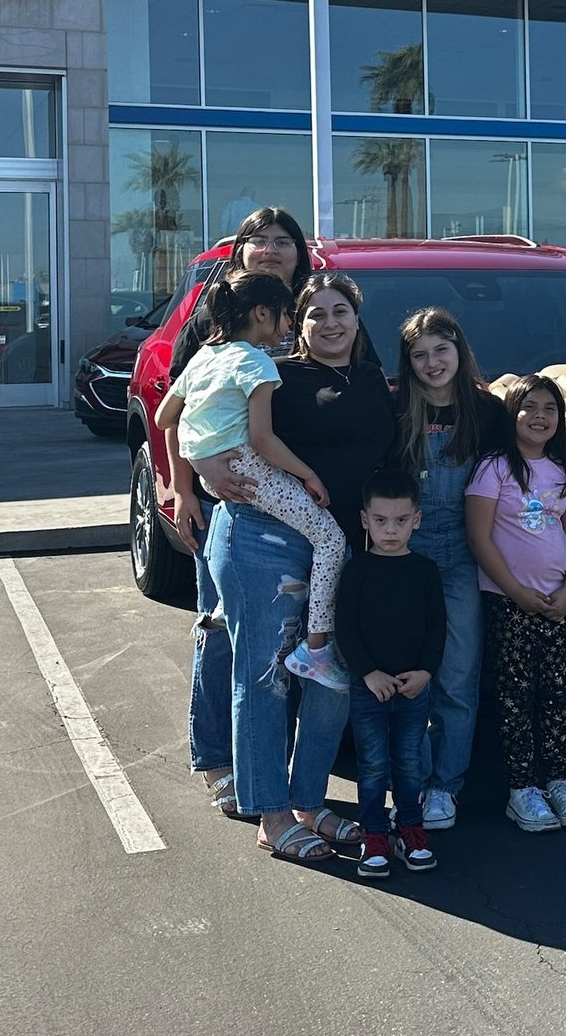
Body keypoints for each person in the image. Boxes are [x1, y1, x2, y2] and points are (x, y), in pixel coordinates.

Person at [199, 272, 397, 860]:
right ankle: (271, 812)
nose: (330, 323)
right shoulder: (268, 373)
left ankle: (310, 801)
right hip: (266, 538)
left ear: (358, 319)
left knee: (333, 676)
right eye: (316, 314)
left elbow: (466, 403)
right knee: (265, 677)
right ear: (295, 324)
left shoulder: (374, 382)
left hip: (347, 549)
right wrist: (197, 478)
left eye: (342, 311)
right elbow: (192, 419)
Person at [395, 308, 566, 831]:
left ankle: (446, 786)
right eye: (419, 354)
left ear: (459, 351)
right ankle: (410, 781)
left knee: (459, 677)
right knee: (407, 673)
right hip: (406, 554)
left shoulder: (487, 409)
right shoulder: (395, 408)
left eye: (441, 350)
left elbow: (535, 456)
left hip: (467, 560)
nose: (432, 362)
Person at [168, 206, 313, 818]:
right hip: (224, 499)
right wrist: (183, 485)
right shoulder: (214, 320)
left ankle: (266, 759)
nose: (273, 250)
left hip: (277, 499)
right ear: (242, 250)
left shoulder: (308, 313)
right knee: (222, 627)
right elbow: (176, 410)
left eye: (285, 242)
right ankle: (216, 759)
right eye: (262, 240)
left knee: (277, 644)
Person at [157, 270, 349, 692]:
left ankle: (228, 604)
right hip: (250, 470)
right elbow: (263, 439)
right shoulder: (256, 362)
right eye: (286, 316)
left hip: (217, 474)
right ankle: (316, 648)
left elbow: (164, 417)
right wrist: (307, 474)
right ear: (263, 313)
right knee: (332, 540)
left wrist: (202, 454)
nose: (289, 326)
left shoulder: (203, 357)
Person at [466, 374, 566, 832]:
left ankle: (557, 779)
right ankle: (523, 789)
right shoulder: (494, 468)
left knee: (555, 694)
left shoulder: (563, 472)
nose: (540, 417)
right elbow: (479, 538)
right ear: (512, 414)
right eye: (530, 407)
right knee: (516, 696)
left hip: (557, 604)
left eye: (550, 409)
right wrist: (517, 593)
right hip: (509, 602)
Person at [336, 468, 446, 878]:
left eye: (401, 521)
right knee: (373, 764)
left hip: (414, 688)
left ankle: (410, 829)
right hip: (370, 689)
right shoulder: (357, 571)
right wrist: (368, 674)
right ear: (365, 520)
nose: (390, 530)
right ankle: (375, 833)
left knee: (409, 761)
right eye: (380, 521)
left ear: (416, 519)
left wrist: (426, 673)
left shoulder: (425, 571)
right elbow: (345, 628)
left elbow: (437, 628)